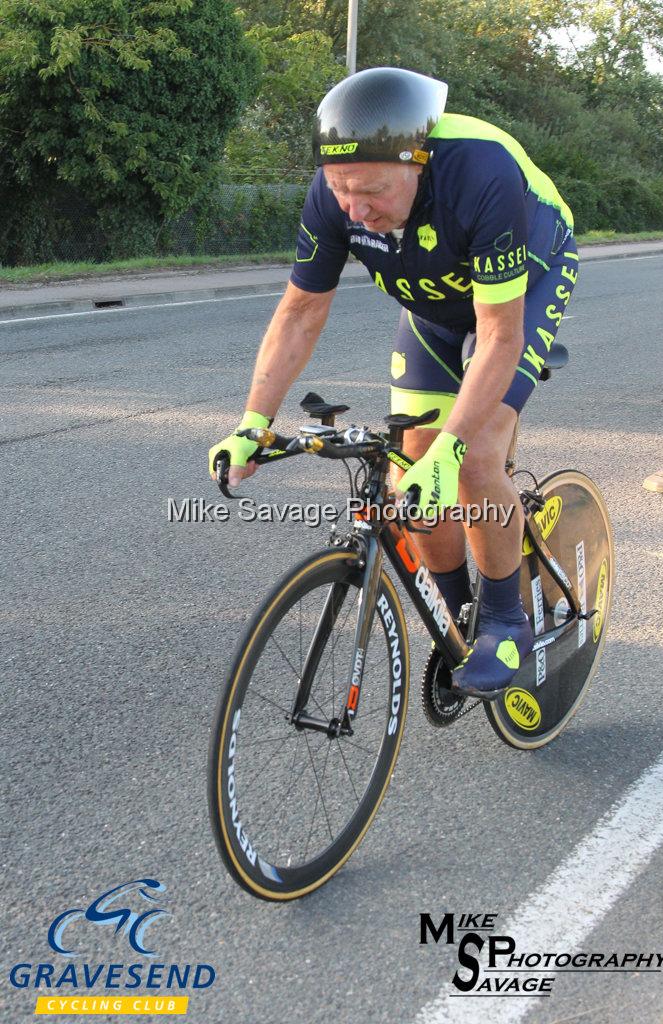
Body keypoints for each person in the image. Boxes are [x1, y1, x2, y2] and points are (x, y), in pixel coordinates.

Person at [209, 67, 579, 699]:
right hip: (436, 309)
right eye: (341, 189)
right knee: (415, 471)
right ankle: (456, 615)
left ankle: (501, 618)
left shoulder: (478, 174)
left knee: (473, 455)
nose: (356, 208)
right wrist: (253, 422)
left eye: (373, 191)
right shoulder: (338, 195)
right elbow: (299, 312)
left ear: (418, 162)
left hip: (522, 287)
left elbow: (497, 337)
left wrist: (454, 447)